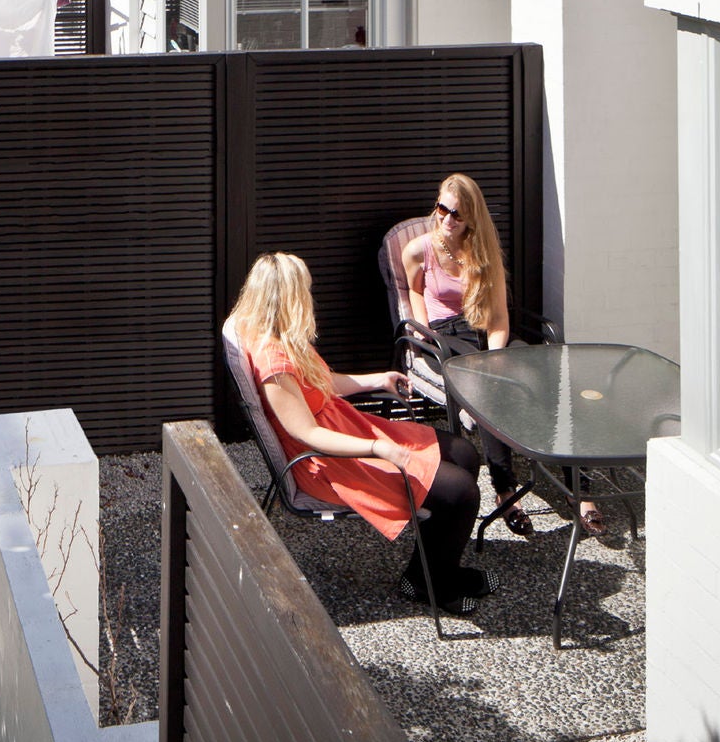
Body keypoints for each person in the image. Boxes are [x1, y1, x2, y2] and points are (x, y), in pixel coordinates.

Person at [228, 251, 490, 614]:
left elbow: (323, 383)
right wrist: (377, 449)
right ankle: (438, 587)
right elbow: (306, 433)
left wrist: (378, 379)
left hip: (346, 429)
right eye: (304, 289)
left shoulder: (281, 336)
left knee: (464, 453)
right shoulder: (274, 363)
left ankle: (425, 574)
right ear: (287, 297)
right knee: (461, 492)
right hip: (328, 461)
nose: (309, 295)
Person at [399, 173, 604, 535]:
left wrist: (495, 359)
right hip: (446, 337)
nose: (447, 219)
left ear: (472, 218)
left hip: (487, 332)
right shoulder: (418, 250)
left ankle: (580, 488)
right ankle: (505, 491)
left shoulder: (484, 252)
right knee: (488, 393)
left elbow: (498, 320)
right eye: (442, 209)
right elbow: (416, 296)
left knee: (550, 375)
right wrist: (426, 332)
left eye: (457, 214)